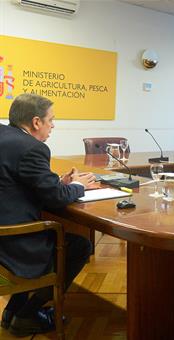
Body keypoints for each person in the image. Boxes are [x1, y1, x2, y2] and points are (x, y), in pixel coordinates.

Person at [0, 94, 98, 336]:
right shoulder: (33, 148)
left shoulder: (5, 136)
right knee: (79, 246)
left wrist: (57, 181)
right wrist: (78, 186)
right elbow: (55, 199)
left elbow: (17, 180)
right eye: (51, 120)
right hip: (14, 242)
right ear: (36, 122)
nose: (53, 125)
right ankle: (27, 315)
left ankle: (12, 312)